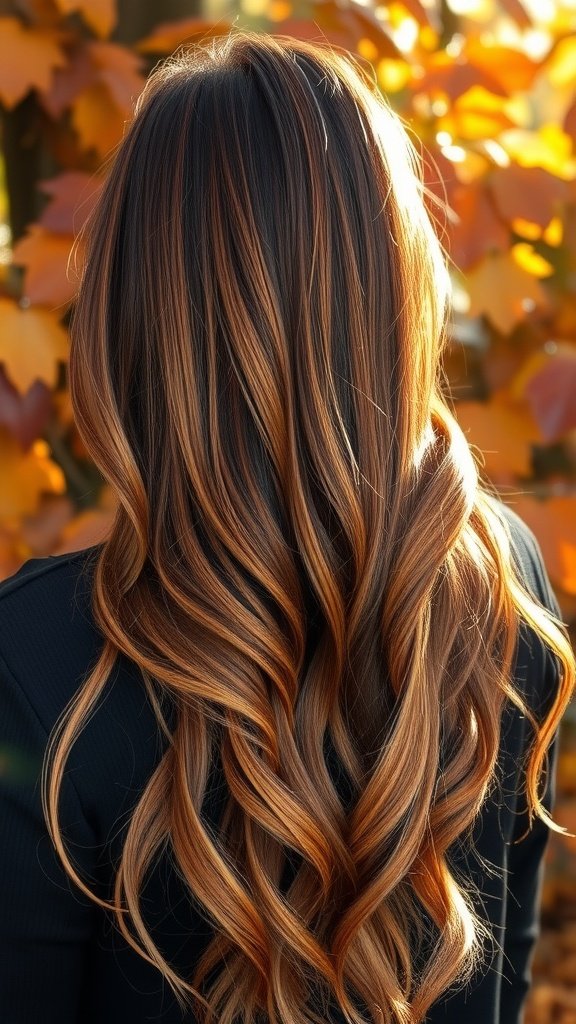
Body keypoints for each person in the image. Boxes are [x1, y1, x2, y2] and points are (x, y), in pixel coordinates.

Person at [0, 28, 574, 1024]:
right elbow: (501, 982)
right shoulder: (499, 583)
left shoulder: (35, 664)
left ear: (130, 310)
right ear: (397, 290)